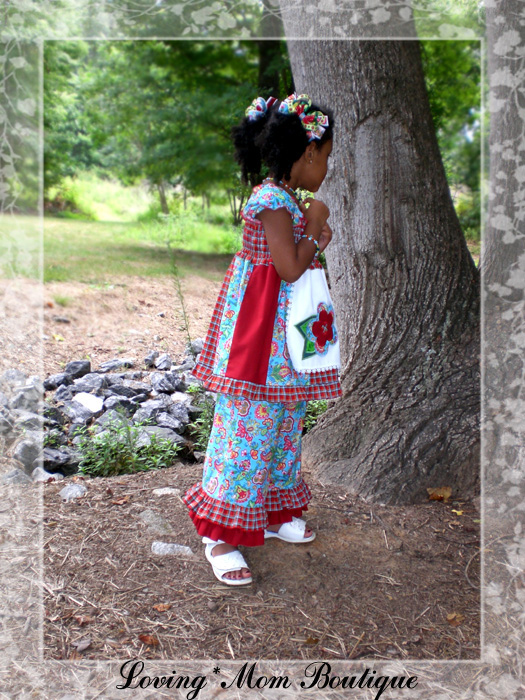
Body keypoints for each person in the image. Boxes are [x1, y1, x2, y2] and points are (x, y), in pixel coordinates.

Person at [183, 93, 341, 586]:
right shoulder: (271, 200)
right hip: (258, 339)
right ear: (309, 152)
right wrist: (314, 227)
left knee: (284, 421)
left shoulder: (285, 199)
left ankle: (272, 512)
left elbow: (294, 264)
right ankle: (220, 536)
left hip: (284, 338)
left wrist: (312, 234)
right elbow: (288, 267)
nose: (326, 168)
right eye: (326, 156)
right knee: (247, 427)